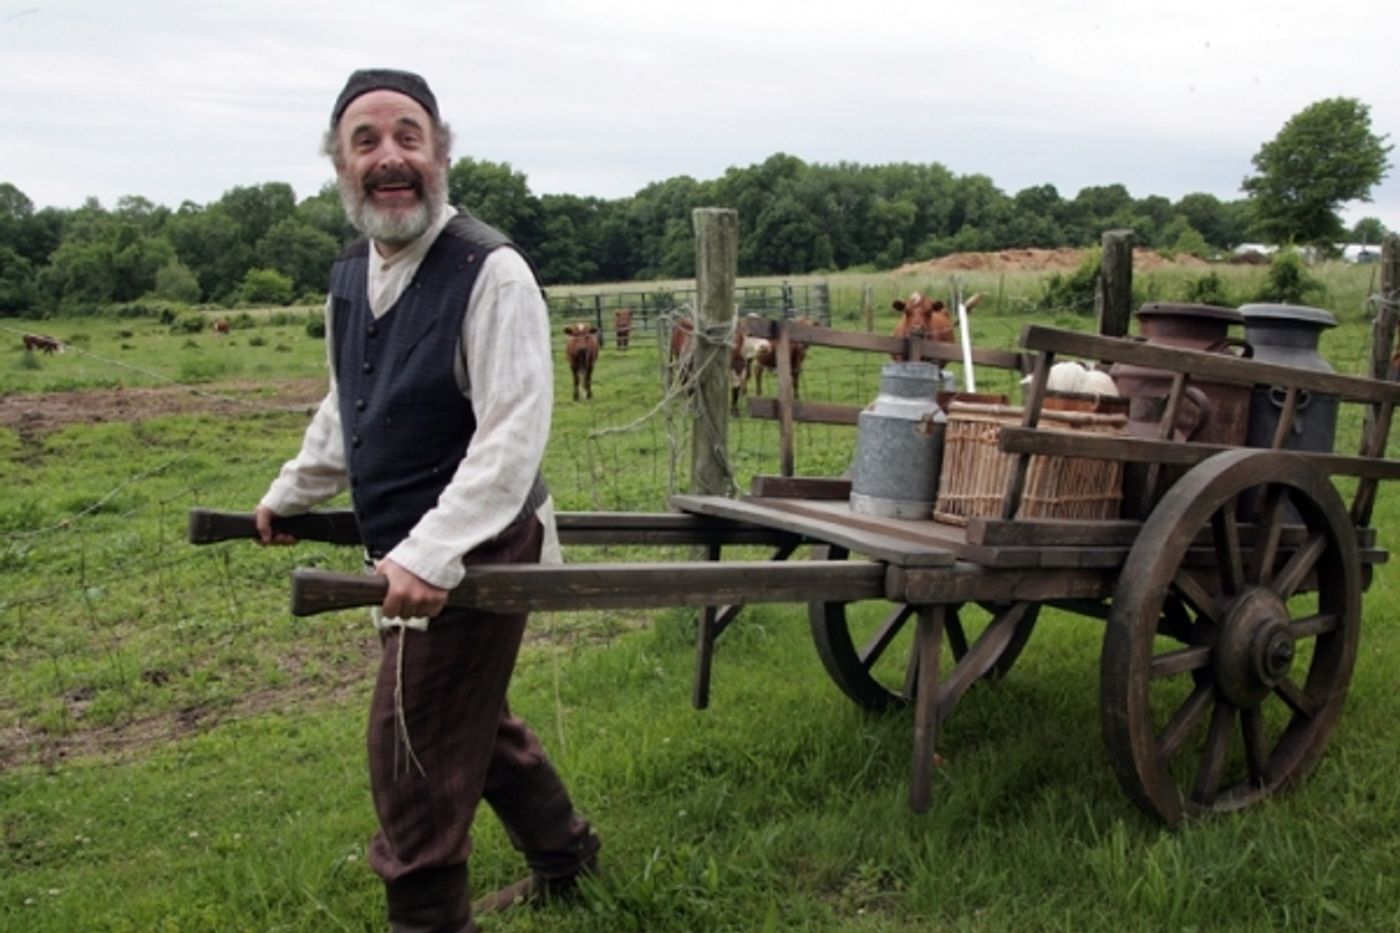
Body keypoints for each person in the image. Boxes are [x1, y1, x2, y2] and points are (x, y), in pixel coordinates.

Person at [254, 68, 599, 932]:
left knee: (410, 742)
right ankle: (569, 858)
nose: (389, 157)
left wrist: (431, 551)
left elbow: (510, 440)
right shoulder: (350, 272)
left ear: (441, 152)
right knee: (469, 720)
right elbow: (349, 402)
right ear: (338, 163)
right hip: (411, 545)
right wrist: (291, 492)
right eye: (364, 141)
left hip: (483, 545)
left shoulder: (493, 272)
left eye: (408, 135)